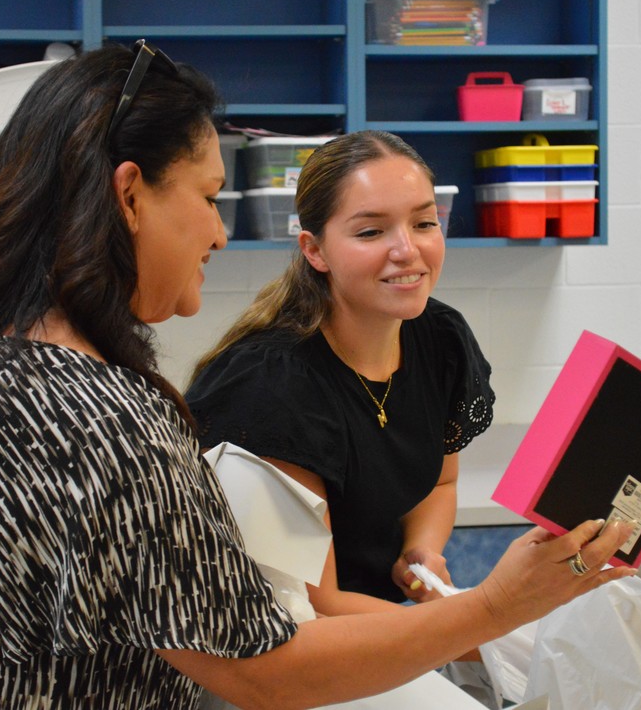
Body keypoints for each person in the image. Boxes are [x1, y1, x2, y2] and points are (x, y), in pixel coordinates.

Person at [0, 41, 634, 710]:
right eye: (211, 197)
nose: (219, 232)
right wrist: (497, 607)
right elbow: (265, 666)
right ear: (131, 196)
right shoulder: (93, 414)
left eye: (424, 223)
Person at [186, 130, 490, 615]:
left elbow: (439, 484)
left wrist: (423, 551)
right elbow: (313, 603)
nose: (407, 250)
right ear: (315, 250)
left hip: (388, 628)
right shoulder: (271, 385)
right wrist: (482, 625)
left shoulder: (440, 337)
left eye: (425, 223)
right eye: (371, 232)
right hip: (287, 645)